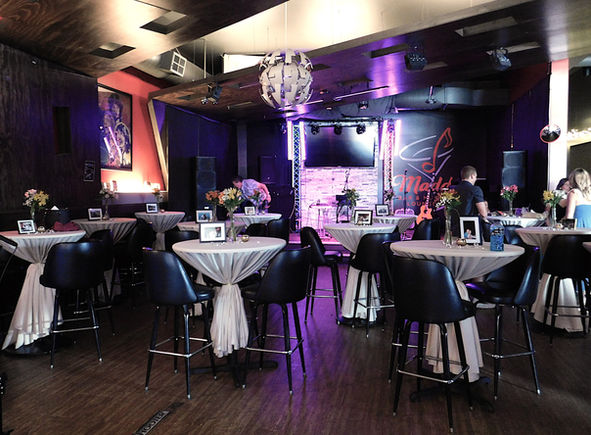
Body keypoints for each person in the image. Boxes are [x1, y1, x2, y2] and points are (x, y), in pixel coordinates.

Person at [451, 165, 487, 235]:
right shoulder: (475, 189)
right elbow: (483, 213)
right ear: (472, 176)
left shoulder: (452, 190)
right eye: (476, 177)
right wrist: (485, 206)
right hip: (471, 231)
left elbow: (447, 212)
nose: (475, 179)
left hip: (455, 229)